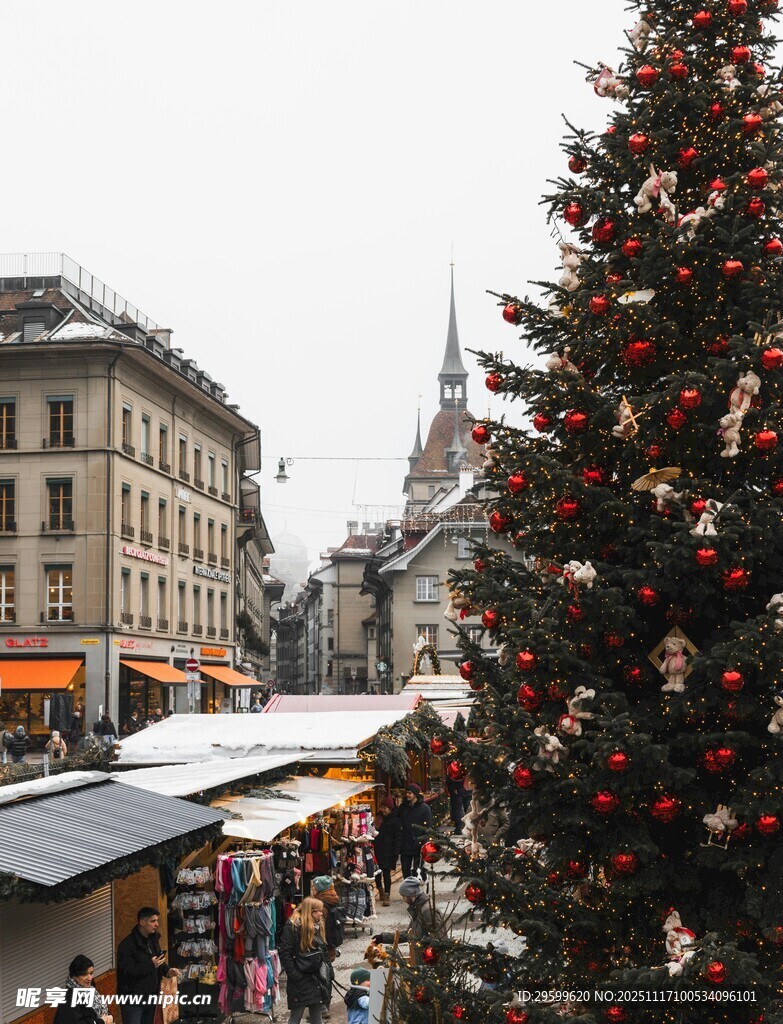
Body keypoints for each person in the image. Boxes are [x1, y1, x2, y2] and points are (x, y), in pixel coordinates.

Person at [117, 907, 178, 1024]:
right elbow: (127, 971)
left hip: (151, 997)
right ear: (142, 922)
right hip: (132, 999)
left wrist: (168, 971)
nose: (157, 924)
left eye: (157, 921)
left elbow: (158, 961)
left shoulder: (153, 940)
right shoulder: (127, 945)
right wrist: (150, 964)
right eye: (153, 921)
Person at [279, 897, 331, 1024]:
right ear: (311, 912)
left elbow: (323, 951)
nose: (321, 913)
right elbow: (284, 953)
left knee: (317, 1017)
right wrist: (294, 975)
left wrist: (329, 971)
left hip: (317, 978)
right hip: (300, 980)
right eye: (318, 911)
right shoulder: (292, 927)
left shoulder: (318, 927)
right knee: (296, 1017)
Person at [373, 876, 447, 964]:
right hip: (421, 964)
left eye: (404, 896)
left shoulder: (427, 911)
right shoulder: (418, 910)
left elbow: (439, 940)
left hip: (428, 966)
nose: (403, 899)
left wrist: (430, 962)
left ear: (412, 895)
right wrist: (382, 937)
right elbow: (408, 934)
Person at [53, 955, 113, 1024]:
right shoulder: (69, 998)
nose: (89, 978)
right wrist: (101, 1021)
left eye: (91, 973)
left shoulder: (90, 989)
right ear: (75, 975)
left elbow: (101, 1008)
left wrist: (110, 1016)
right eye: (84, 974)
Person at [397, 783, 432, 879]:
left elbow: (428, 827)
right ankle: (407, 890)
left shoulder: (425, 808)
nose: (407, 795)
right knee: (405, 870)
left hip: (418, 843)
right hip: (405, 843)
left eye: (410, 793)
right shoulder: (402, 807)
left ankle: (416, 889)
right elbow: (398, 822)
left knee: (417, 870)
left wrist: (424, 842)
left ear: (415, 794)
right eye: (406, 793)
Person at [372, 797, 402, 907]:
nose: (383, 810)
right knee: (377, 872)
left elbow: (398, 837)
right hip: (377, 849)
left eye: (385, 808)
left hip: (389, 850)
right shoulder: (378, 819)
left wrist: (396, 852)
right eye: (382, 807)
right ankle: (380, 890)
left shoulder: (395, 820)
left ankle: (387, 895)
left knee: (386, 872)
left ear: (390, 809)